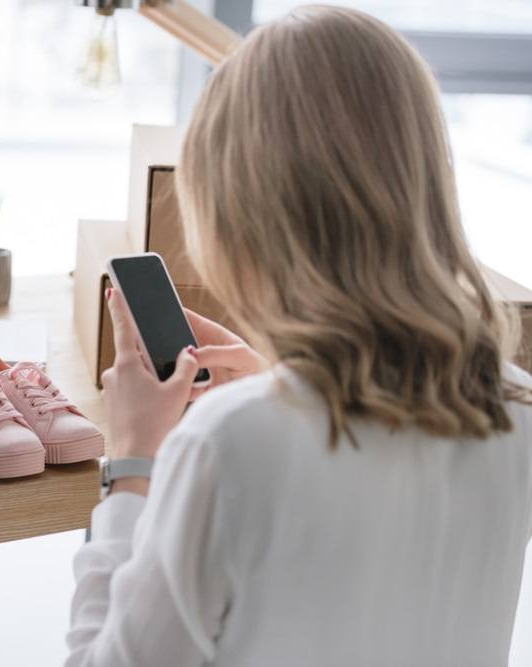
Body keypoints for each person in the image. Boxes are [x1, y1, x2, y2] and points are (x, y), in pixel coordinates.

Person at [64, 5, 532, 666]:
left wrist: (134, 461)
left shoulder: (227, 443)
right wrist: (278, 381)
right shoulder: (514, 406)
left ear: (237, 217)